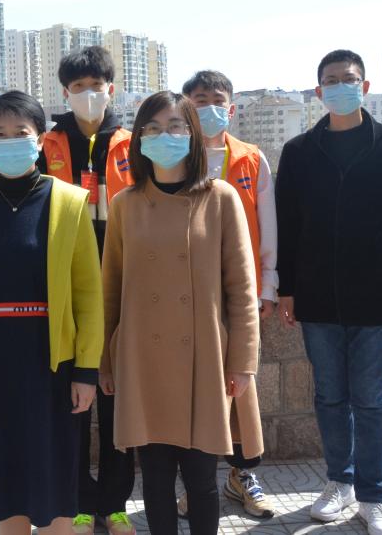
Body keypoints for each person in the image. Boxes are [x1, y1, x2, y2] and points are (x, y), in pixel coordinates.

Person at [0, 90, 104, 535]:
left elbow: (88, 293)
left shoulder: (69, 201)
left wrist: (86, 369)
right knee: (3, 472)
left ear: (41, 139)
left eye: (20, 132)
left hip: (52, 364)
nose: (9, 140)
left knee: (54, 472)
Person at [100, 91, 261, 535]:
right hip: (142, 359)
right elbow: (110, 289)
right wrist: (104, 361)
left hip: (204, 360)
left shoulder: (221, 197)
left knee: (201, 480)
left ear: (192, 135)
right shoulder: (125, 204)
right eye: (152, 128)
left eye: (174, 126)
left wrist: (243, 362)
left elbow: (241, 289)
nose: (163, 136)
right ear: (138, 139)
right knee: (153, 481)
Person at [277, 50, 382, 535]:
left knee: (373, 400)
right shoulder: (299, 152)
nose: (341, 86)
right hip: (317, 297)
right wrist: (288, 289)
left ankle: (374, 496)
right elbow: (288, 227)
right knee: (330, 397)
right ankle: (339, 482)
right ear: (319, 91)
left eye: (349, 79)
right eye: (331, 80)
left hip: (377, 296)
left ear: (364, 86)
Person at [35, 46, 135, 535]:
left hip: (121, 285)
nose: (88, 94)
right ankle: (75, 501)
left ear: (110, 89)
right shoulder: (46, 144)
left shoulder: (135, 143)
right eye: (78, 87)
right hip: (66, 287)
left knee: (118, 403)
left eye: (96, 86)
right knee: (70, 403)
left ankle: (114, 504)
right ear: (65, 93)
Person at [180, 70, 276, 519]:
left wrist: (267, 286)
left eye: (217, 100)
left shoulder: (252, 158)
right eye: (199, 100)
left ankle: (243, 475)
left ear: (231, 108)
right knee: (191, 391)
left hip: (238, 293)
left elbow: (267, 226)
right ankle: (195, 483)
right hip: (188, 295)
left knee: (241, 389)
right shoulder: (174, 157)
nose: (209, 108)